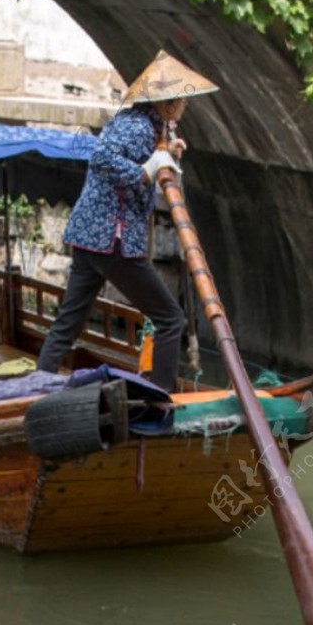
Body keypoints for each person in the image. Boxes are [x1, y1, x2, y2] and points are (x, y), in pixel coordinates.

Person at [36, 51, 219, 393]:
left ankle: (36, 386)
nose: (185, 108)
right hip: (112, 239)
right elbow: (104, 158)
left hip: (88, 237)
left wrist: (167, 150)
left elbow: (140, 149)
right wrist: (145, 172)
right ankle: (160, 396)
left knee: (68, 322)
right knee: (170, 319)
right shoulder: (138, 128)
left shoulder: (141, 123)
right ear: (168, 104)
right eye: (182, 102)